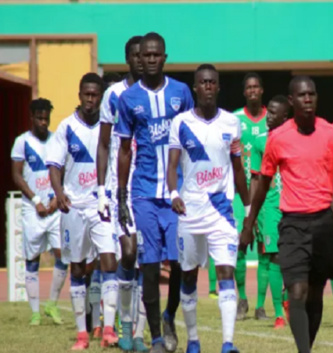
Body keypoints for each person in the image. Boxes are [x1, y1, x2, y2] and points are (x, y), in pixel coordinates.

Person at [241, 76, 333, 353]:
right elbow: (262, 182)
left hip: (323, 223)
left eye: (312, 94)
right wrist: (249, 224)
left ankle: (306, 345)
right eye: (302, 95)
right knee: (297, 292)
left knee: (315, 295)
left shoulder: (331, 134)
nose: (308, 99)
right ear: (292, 100)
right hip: (292, 224)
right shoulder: (278, 138)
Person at [115, 32, 194, 353]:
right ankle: (157, 339)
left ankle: (168, 315)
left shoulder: (181, 92)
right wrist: (120, 196)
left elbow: (192, 138)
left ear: (164, 57)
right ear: (139, 58)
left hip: (176, 196)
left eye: (155, 55)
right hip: (144, 193)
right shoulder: (128, 99)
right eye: (145, 55)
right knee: (149, 265)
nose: (149, 60)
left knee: (179, 264)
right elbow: (123, 150)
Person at [167, 63, 249, 353]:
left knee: (225, 271)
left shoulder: (231, 123)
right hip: (189, 211)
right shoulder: (180, 123)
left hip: (221, 211)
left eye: (213, 82)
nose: (208, 87)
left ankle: (227, 344)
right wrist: (174, 193)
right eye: (203, 82)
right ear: (195, 88)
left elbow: (238, 168)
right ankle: (193, 340)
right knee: (189, 275)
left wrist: (248, 208)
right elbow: (173, 164)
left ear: (218, 86)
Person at [46, 73, 119, 350]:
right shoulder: (66, 127)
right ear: (79, 95)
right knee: (77, 268)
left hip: (102, 204)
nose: (91, 100)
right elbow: (54, 164)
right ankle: (82, 334)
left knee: (109, 261)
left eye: (95, 95)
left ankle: (109, 329)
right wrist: (59, 193)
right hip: (74, 206)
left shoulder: (108, 126)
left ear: (101, 97)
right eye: (86, 95)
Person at [96, 35, 148, 352]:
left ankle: (137, 333)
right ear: (127, 59)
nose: (142, 60)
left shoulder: (158, 93)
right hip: (121, 187)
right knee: (127, 253)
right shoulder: (113, 95)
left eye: (146, 55)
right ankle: (122, 324)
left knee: (146, 260)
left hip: (150, 186)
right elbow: (103, 144)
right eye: (135, 56)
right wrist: (102, 189)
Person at [11, 98, 67, 326]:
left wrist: (55, 198)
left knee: (63, 254)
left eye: (47, 119)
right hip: (32, 209)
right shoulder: (22, 142)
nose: (44, 123)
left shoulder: (56, 141)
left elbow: (62, 171)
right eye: (40, 118)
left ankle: (52, 304)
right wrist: (35, 200)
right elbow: (16, 175)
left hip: (54, 209)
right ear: (32, 118)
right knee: (32, 258)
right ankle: (35, 312)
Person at [249, 95, 291, 329]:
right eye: (269, 112)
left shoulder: (297, 139)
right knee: (273, 255)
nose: (268, 117)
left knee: (295, 258)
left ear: (285, 117)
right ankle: (277, 312)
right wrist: (252, 214)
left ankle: (287, 299)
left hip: (295, 206)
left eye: (274, 113)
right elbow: (256, 179)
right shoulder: (259, 142)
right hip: (271, 208)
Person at [232, 72, 268, 320]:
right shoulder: (234, 119)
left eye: (257, 86)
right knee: (240, 246)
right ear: (244, 92)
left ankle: (261, 305)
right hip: (239, 194)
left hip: (267, 194)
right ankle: (242, 298)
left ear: (262, 90)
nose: (253, 90)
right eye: (249, 87)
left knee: (266, 249)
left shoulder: (273, 119)